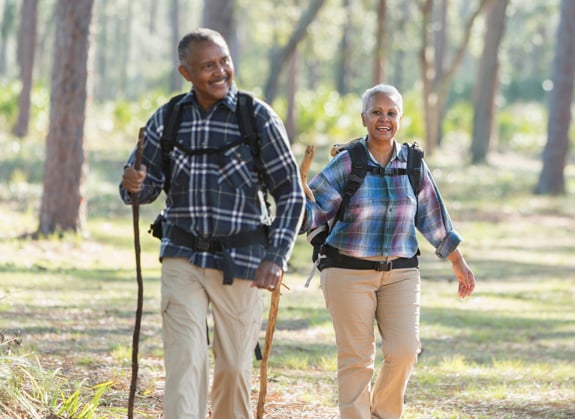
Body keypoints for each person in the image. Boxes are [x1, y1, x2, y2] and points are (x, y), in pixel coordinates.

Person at [119, 28, 304, 419]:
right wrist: (133, 183)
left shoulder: (256, 117)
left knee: (234, 367)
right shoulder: (168, 118)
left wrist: (277, 255)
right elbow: (144, 185)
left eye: (224, 61)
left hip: (243, 262)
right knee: (185, 363)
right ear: (186, 72)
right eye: (208, 66)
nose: (220, 71)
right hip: (181, 256)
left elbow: (291, 193)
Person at [301, 84, 476, 418]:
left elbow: (433, 216)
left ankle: (383, 414)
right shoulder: (347, 162)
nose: (384, 119)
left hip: (400, 273)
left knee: (405, 351)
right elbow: (315, 210)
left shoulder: (412, 163)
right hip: (347, 271)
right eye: (377, 112)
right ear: (364, 117)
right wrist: (295, 206)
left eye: (391, 112)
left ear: (400, 118)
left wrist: (458, 260)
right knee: (356, 358)